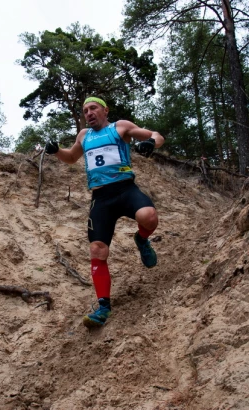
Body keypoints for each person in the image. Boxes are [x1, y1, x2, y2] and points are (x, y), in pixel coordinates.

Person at [45, 96, 165, 329]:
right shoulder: (84, 136)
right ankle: (103, 307)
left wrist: (151, 142)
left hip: (125, 189)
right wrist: (55, 150)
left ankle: (141, 240)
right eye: (85, 110)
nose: (88, 113)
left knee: (149, 216)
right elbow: (71, 158)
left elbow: (156, 135)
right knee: (97, 250)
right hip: (101, 198)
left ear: (104, 110)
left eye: (93, 108)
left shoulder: (120, 127)